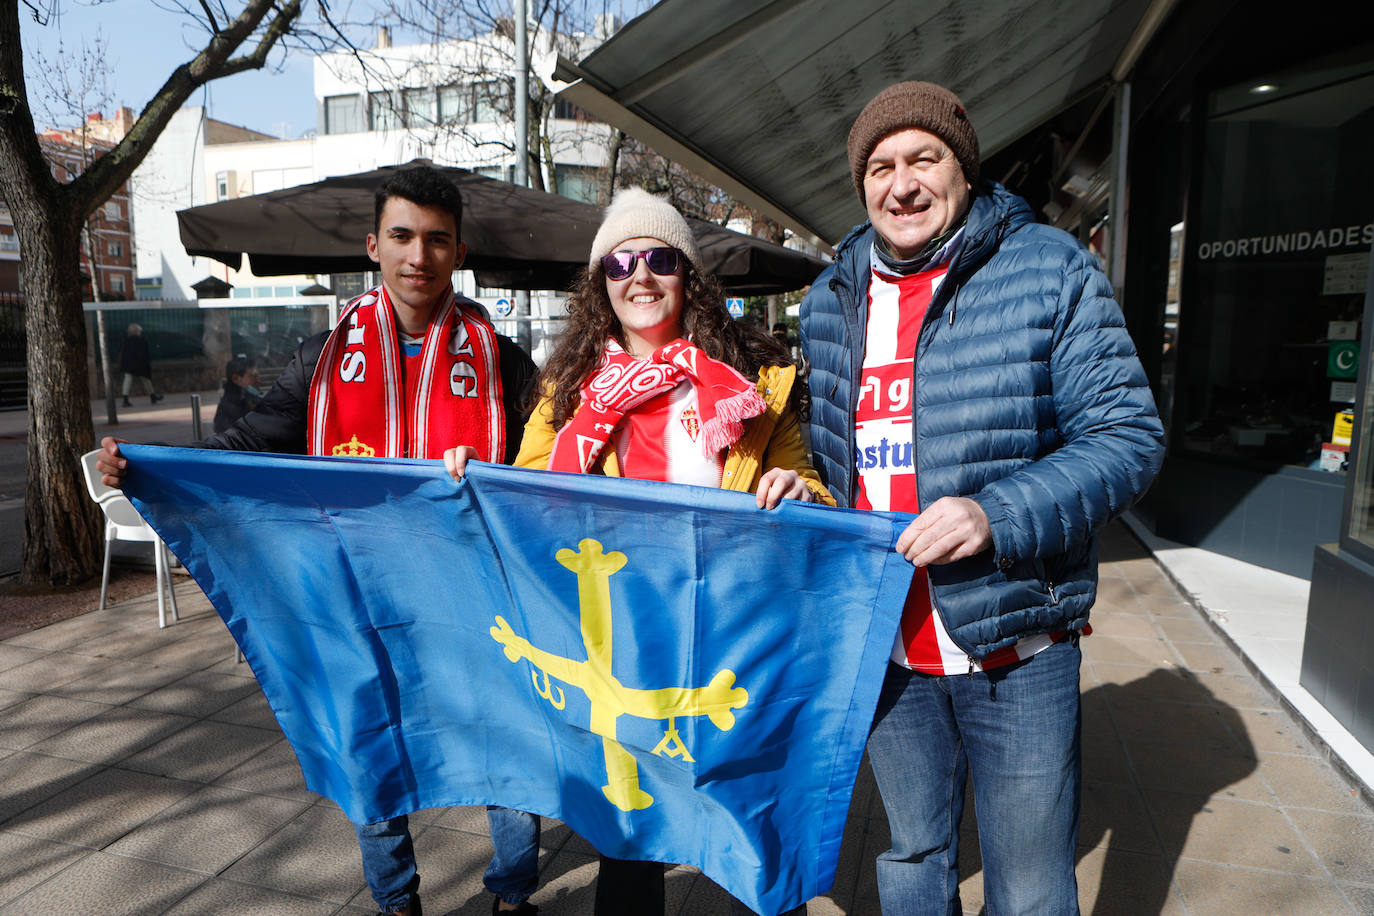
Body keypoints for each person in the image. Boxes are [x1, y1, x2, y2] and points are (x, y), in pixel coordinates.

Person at [98, 165, 542, 916]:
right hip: (356, 597)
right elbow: (246, 448)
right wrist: (145, 465)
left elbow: (551, 464)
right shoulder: (323, 360)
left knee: (507, 748)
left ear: (458, 252)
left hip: (476, 598)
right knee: (369, 745)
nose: (419, 256)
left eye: (437, 240)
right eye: (402, 236)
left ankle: (513, 894)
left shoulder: (502, 363)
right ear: (374, 245)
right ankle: (396, 900)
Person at [800, 82, 1165, 915]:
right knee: (911, 858)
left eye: (924, 158)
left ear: (963, 169)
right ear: (862, 184)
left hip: (1017, 644)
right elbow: (834, 463)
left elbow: (1127, 438)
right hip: (888, 647)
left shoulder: (1049, 267)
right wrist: (804, 488)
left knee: (1031, 884)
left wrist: (992, 514)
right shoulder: (831, 300)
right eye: (882, 166)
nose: (903, 184)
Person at [445, 188, 830, 916]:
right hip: (624, 643)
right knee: (632, 844)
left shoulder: (750, 383)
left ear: (687, 275)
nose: (639, 276)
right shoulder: (568, 388)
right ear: (602, 286)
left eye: (658, 258)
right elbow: (524, 487)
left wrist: (800, 489)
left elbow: (809, 484)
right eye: (619, 264)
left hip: (728, 638)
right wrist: (475, 472)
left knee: (752, 829)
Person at [212, 354, 262, 433]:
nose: (259, 380)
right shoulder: (232, 407)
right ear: (236, 379)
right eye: (253, 376)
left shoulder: (250, 399)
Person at [117, 322, 163, 406]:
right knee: (146, 379)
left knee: (128, 379)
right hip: (140, 364)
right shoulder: (141, 340)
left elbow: (123, 353)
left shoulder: (126, 341)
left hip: (128, 364)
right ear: (137, 331)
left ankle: (125, 399)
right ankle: (152, 396)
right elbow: (144, 354)